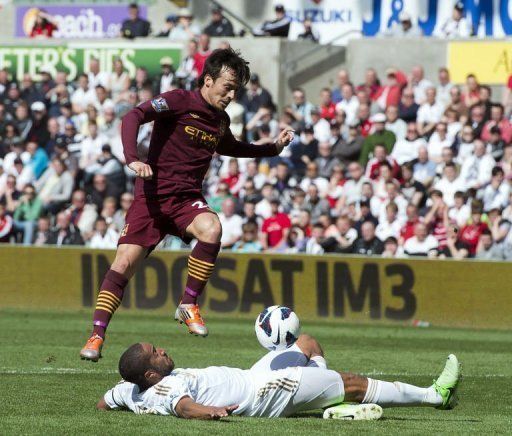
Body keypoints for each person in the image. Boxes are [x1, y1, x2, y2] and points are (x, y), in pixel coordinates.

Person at [79, 48, 295, 360]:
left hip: (185, 199)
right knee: (124, 265)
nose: (232, 95)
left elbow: (233, 147)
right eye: (227, 87)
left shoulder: (219, 120)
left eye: (236, 90)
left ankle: (188, 303)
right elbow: (133, 116)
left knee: (212, 228)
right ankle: (96, 336)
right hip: (151, 199)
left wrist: (273, 149)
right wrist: (132, 159)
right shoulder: (179, 100)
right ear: (208, 80)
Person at [97, 336, 461, 419]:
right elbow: (185, 407)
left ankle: (327, 400)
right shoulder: (167, 387)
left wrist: (111, 402)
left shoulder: (131, 390)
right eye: (156, 353)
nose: (162, 351)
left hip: (249, 376)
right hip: (262, 393)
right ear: (151, 373)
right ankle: (434, 395)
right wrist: (213, 412)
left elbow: (105, 401)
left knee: (304, 343)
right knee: (350, 382)